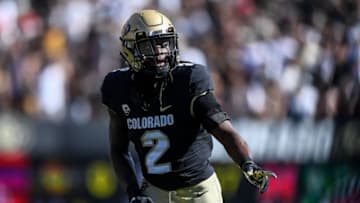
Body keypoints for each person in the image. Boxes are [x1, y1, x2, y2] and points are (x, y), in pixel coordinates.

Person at [101, 9, 277, 203]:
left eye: (163, 43)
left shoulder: (188, 80)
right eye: (149, 46)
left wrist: (247, 162)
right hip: (155, 190)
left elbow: (224, 130)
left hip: (198, 191)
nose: (160, 52)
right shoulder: (117, 87)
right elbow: (118, 150)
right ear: (131, 49)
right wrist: (133, 191)